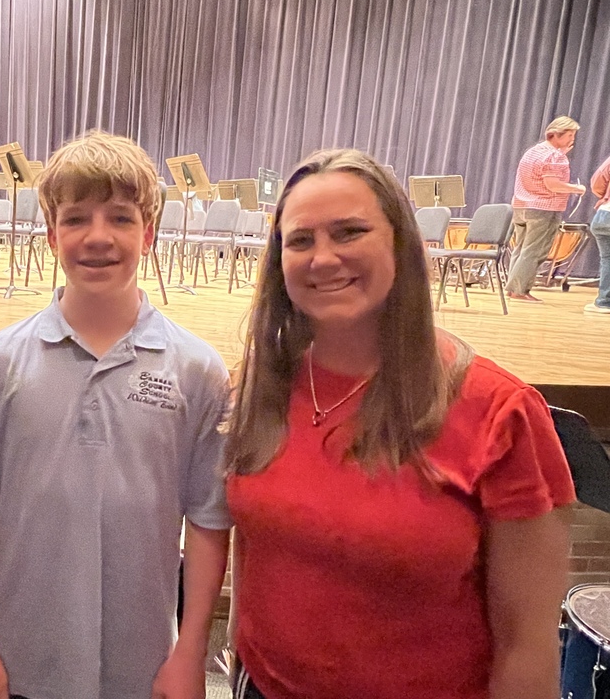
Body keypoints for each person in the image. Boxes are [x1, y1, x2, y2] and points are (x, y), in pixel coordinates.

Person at [225, 148, 574, 699]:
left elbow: (526, 650)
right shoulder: (262, 387)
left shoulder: (500, 412)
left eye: (349, 232)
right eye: (300, 240)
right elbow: (257, 546)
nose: (323, 258)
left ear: (400, 244)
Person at [0, 131, 231, 699]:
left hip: (143, 665)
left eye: (121, 219)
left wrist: (190, 655)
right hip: (20, 657)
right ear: (51, 234)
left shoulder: (198, 369)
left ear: (149, 234)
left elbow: (207, 524)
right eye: (76, 219)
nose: (98, 237)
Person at [505, 115, 586, 302]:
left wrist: (562, 153)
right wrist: (576, 188)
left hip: (521, 206)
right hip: (543, 209)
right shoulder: (555, 156)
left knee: (521, 248)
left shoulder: (533, 151)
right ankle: (520, 290)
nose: (572, 139)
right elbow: (552, 184)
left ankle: (513, 288)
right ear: (555, 135)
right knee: (535, 251)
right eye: (569, 135)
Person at [584, 151, 610, 314]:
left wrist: (606, 196)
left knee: (607, 259)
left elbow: (596, 182)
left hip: (605, 214)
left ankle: (604, 302)